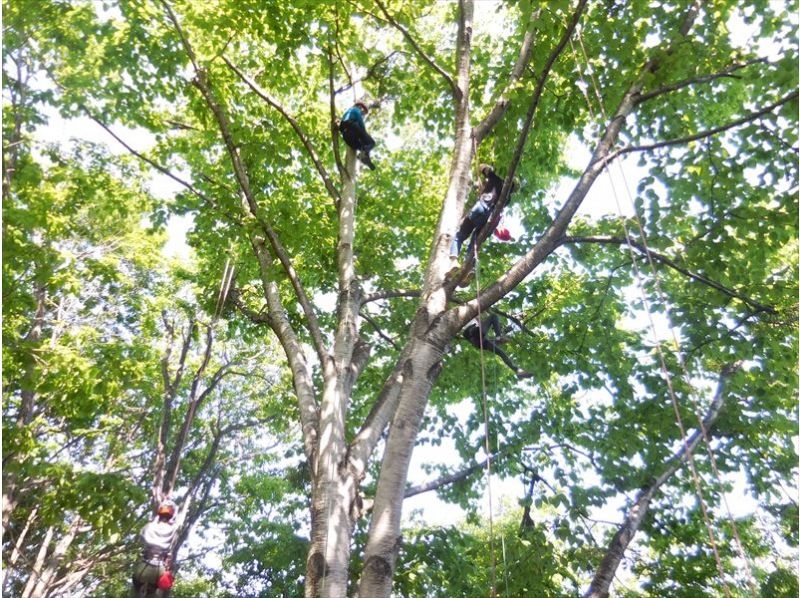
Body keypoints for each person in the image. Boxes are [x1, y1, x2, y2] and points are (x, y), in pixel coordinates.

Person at [449, 164, 517, 267]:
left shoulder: (496, 179)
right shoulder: (508, 199)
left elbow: (481, 167)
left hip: (480, 209)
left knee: (460, 236)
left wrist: (488, 170)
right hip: (488, 219)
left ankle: (453, 262)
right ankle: (468, 267)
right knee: (473, 246)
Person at [130, 499, 180, 597]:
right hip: (160, 568)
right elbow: (174, 542)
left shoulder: (149, 527)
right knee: (159, 591)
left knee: (135, 585)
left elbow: (140, 537)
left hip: (144, 566)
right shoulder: (173, 529)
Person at [463, 314, 531, 378]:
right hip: (473, 333)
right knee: (493, 316)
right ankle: (499, 337)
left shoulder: (477, 321)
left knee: (501, 352)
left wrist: (497, 340)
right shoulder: (469, 315)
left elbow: (482, 326)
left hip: (478, 341)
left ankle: (517, 371)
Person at [339, 101, 376, 170]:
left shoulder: (347, 113)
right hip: (351, 127)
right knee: (371, 143)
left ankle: (365, 158)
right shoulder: (355, 110)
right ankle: (364, 154)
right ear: (360, 107)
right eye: (363, 112)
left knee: (363, 146)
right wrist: (364, 134)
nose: (363, 114)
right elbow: (360, 122)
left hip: (346, 136)